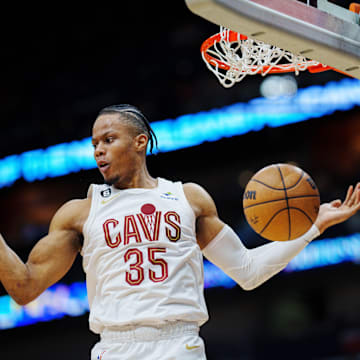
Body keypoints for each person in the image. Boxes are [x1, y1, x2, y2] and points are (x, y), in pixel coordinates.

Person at [0, 104, 359, 360]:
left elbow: (247, 272)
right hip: (114, 347)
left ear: (140, 142)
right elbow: (25, 287)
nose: (99, 151)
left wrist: (313, 226)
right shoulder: (79, 212)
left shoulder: (188, 198)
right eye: (95, 144)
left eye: (108, 140)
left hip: (178, 345)